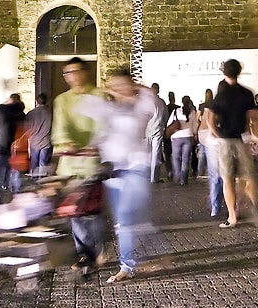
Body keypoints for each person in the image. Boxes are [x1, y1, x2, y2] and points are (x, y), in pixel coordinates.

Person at [84, 68, 163, 283]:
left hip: (137, 166)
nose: (118, 89)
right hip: (113, 169)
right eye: (114, 85)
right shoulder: (108, 107)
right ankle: (127, 266)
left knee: (127, 215)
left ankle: (138, 257)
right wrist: (106, 90)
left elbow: (155, 101)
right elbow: (86, 104)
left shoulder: (142, 105)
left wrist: (135, 88)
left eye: (122, 84)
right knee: (122, 221)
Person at [51, 58, 103, 277]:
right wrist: (66, 143)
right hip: (70, 165)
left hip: (92, 163)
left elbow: (104, 124)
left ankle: (95, 247)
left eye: (74, 71)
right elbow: (60, 127)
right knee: (76, 213)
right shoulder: (62, 100)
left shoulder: (99, 97)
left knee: (92, 213)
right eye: (66, 73)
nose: (70, 76)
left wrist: (97, 143)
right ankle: (85, 254)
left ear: (85, 72)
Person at [204, 60, 258, 228]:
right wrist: (255, 136)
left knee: (227, 178)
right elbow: (252, 119)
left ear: (224, 72)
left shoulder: (220, 95)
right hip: (241, 138)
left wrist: (218, 134)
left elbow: (210, 120)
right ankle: (248, 204)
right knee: (247, 176)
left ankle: (232, 216)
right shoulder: (246, 93)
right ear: (239, 71)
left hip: (225, 140)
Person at [0, 94, 26, 207]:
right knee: (15, 178)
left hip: (0, 147)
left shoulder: (1, 109)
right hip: (15, 150)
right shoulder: (21, 113)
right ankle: (17, 203)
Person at [167, 97, 196, 185]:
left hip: (176, 137)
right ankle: (184, 179)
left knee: (176, 158)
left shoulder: (176, 111)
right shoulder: (193, 112)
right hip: (188, 136)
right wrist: (194, 135)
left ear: (182, 102)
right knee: (185, 159)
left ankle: (177, 177)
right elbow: (195, 127)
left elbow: (169, 124)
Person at [145, 81, 170, 182]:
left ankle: (145, 176)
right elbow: (165, 117)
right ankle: (154, 178)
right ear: (158, 90)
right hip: (158, 129)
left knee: (146, 154)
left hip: (147, 130)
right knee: (156, 154)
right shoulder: (161, 102)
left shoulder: (146, 101)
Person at [25, 93, 53, 179]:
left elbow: (27, 127)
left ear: (36, 101)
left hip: (34, 141)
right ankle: (42, 181)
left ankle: (34, 180)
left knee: (34, 162)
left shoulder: (31, 113)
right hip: (46, 141)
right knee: (43, 163)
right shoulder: (50, 113)